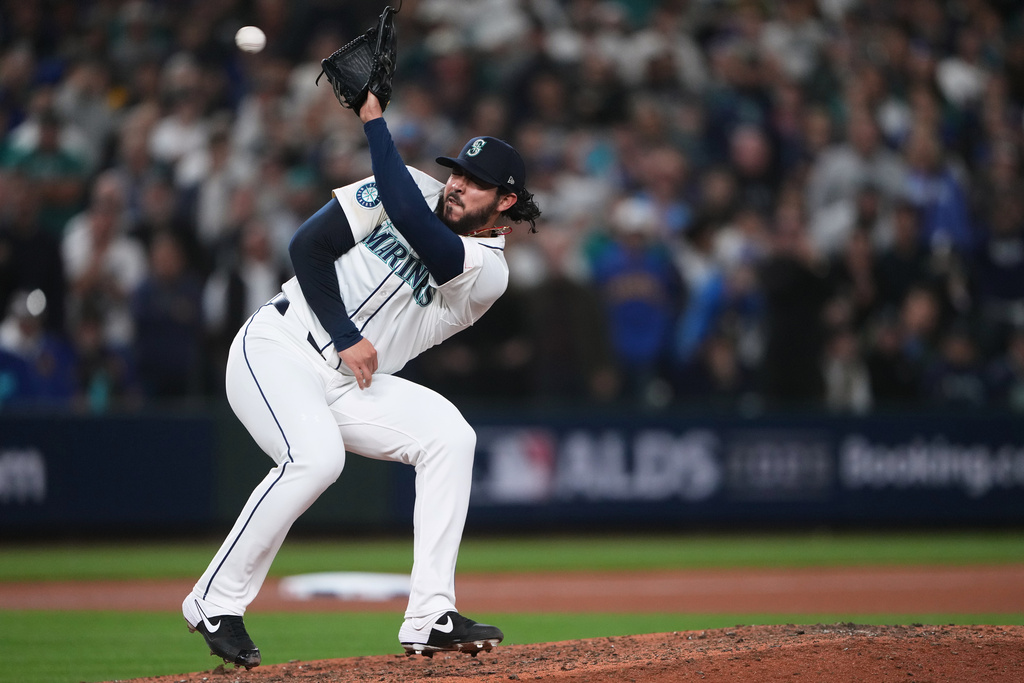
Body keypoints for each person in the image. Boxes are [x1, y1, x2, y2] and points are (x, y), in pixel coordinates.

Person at [181, 91, 540, 669]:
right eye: (457, 173)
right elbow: (308, 248)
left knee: (451, 437)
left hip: (352, 381)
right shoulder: (411, 185)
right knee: (316, 459)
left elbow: (423, 235)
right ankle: (213, 601)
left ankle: (429, 615)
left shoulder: (489, 271)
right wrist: (345, 333)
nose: (455, 185)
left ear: (506, 201)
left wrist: (374, 122)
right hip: (277, 346)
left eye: (474, 182)